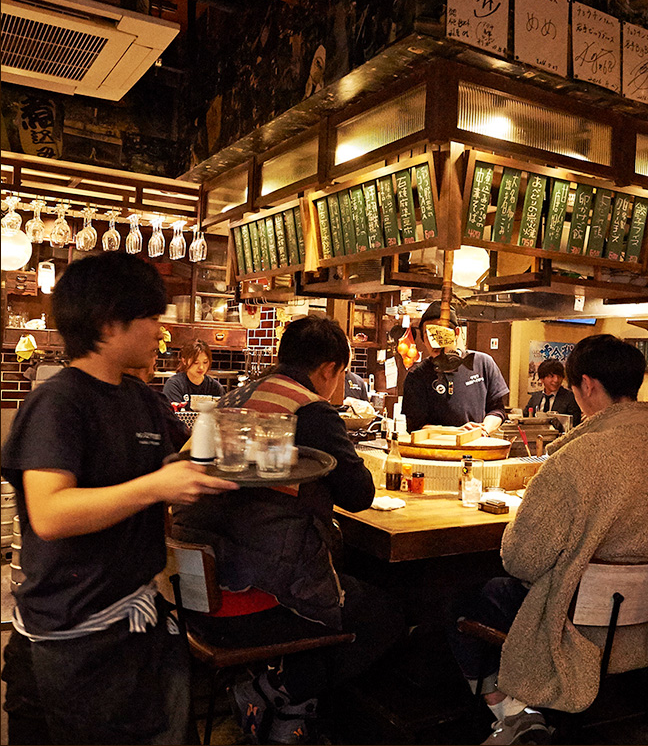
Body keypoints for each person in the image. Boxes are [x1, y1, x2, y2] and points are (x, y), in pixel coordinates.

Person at [0, 253, 238, 746]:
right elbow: (49, 513)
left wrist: (207, 460)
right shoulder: (59, 401)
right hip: (76, 636)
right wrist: (155, 487)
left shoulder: (141, 398)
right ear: (109, 323)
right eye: (150, 318)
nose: (159, 330)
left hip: (137, 619)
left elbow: (175, 462)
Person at [447, 334, 648, 745]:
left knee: (465, 598)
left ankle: (510, 712)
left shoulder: (575, 459)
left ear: (586, 384)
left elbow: (521, 560)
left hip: (579, 627)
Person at [171, 314, 404, 744]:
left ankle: (285, 707)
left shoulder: (233, 396)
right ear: (330, 370)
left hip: (194, 594)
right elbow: (359, 494)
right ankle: (274, 691)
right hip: (251, 603)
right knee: (385, 614)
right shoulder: (309, 409)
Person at [402, 301, 509, 434]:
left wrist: (484, 429)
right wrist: (456, 432)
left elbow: (497, 410)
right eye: (429, 334)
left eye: (441, 332)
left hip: (476, 447)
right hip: (435, 451)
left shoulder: (483, 363)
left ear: (456, 333)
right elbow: (415, 426)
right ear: (423, 339)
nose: (435, 341)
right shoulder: (417, 376)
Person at [124, 352, 191, 451]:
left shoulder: (109, 395)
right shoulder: (153, 401)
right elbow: (184, 438)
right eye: (153, 351)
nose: (156, 357)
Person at [162, 338, 224, 408]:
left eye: (205, 362)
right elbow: (171, 415)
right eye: (196, 363)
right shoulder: (174, 385)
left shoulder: (215, 387)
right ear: (184, 361)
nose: (201, 367)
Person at [524, 358, 582, 426]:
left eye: (559, 376)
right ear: (542, 379)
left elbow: (575, 423)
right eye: (551, 377)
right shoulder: (535, 397)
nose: (556, 380)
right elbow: (525, 416)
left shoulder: (570, 397)